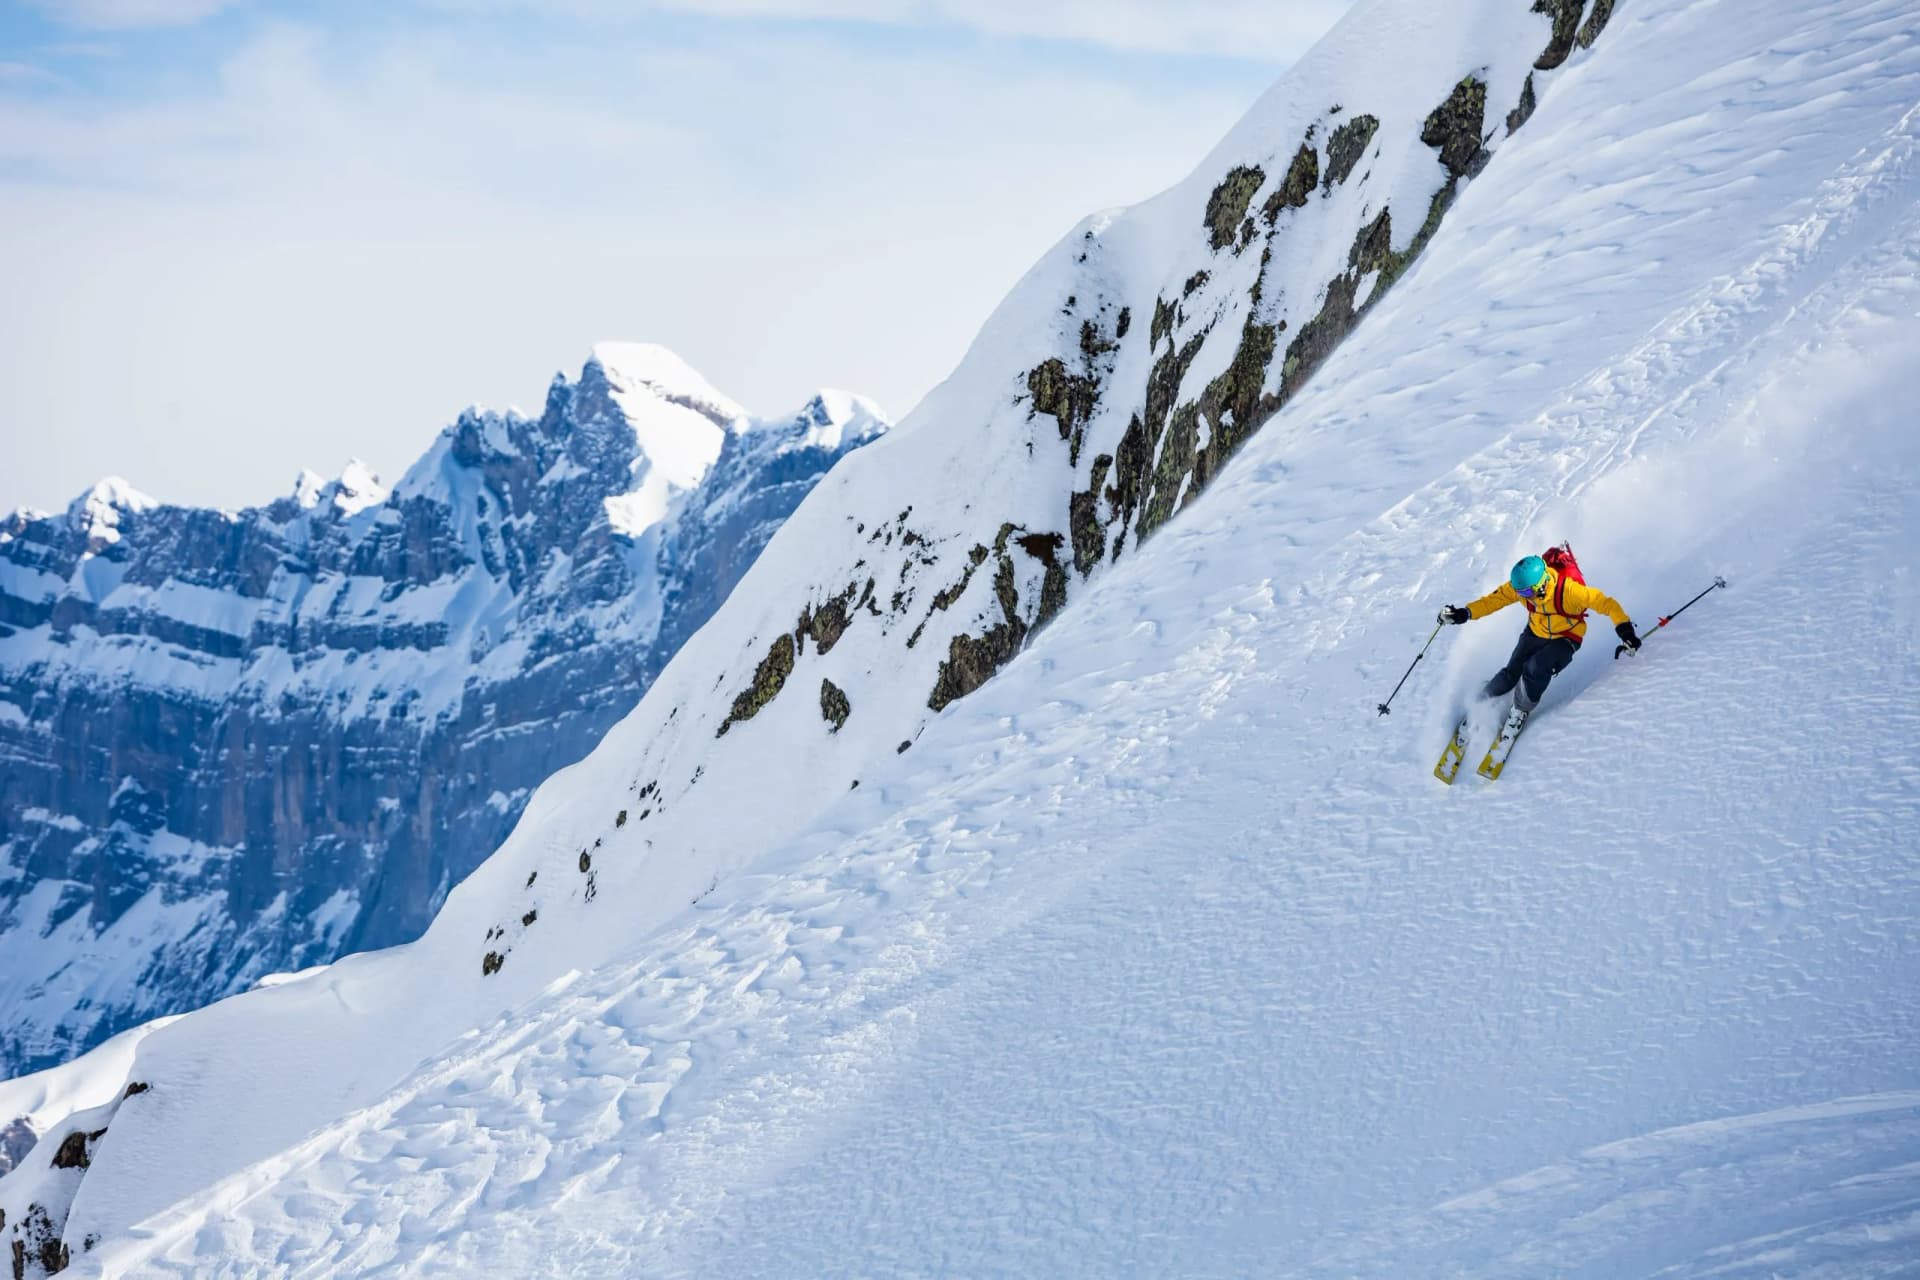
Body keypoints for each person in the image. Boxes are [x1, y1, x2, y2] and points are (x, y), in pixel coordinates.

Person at [1439, 555, 1641, 712]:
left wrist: (1625, 630)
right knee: (1511, 673)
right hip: (1536, 632)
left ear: (1541, 586)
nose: (1521, 596)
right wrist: (1464, 613)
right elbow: (1493, 601)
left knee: (1535, 667)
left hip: (1566, 637)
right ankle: (1483, 698)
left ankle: (1520, 709)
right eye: (1519, 592)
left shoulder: (1570, 592)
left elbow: (1606, 603)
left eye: (1526, 593)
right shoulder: (1520, 589)